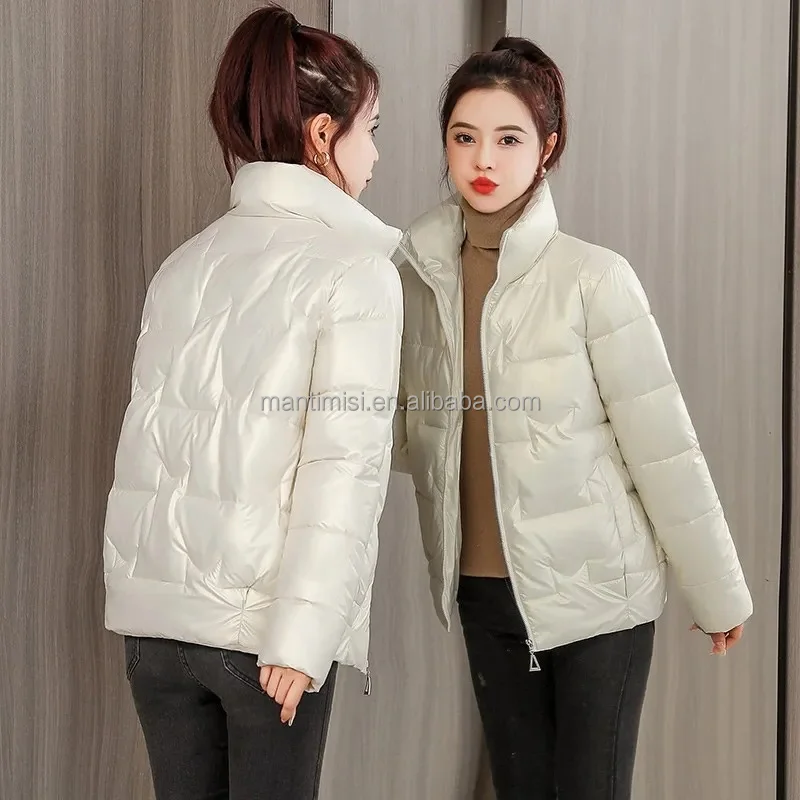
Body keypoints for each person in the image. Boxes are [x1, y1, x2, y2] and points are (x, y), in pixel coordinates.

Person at [391, 36, 753, 800]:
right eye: (464, 136)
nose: (482, 159)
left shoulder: (593, 278)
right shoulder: (413, 275)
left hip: (600, 597)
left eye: (509, 138)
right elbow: (405, 432)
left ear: (547, 147)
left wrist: (716, 589)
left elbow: (663, 447)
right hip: (484, 594)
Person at [102, 5, 403, 799]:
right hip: (266, 642)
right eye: (372, 130)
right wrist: (303, 639)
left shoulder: (184, 265)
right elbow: (343, 468)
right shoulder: (356, 271)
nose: (376, 156)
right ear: (323, 135)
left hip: (157, 636)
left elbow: (154, 450)